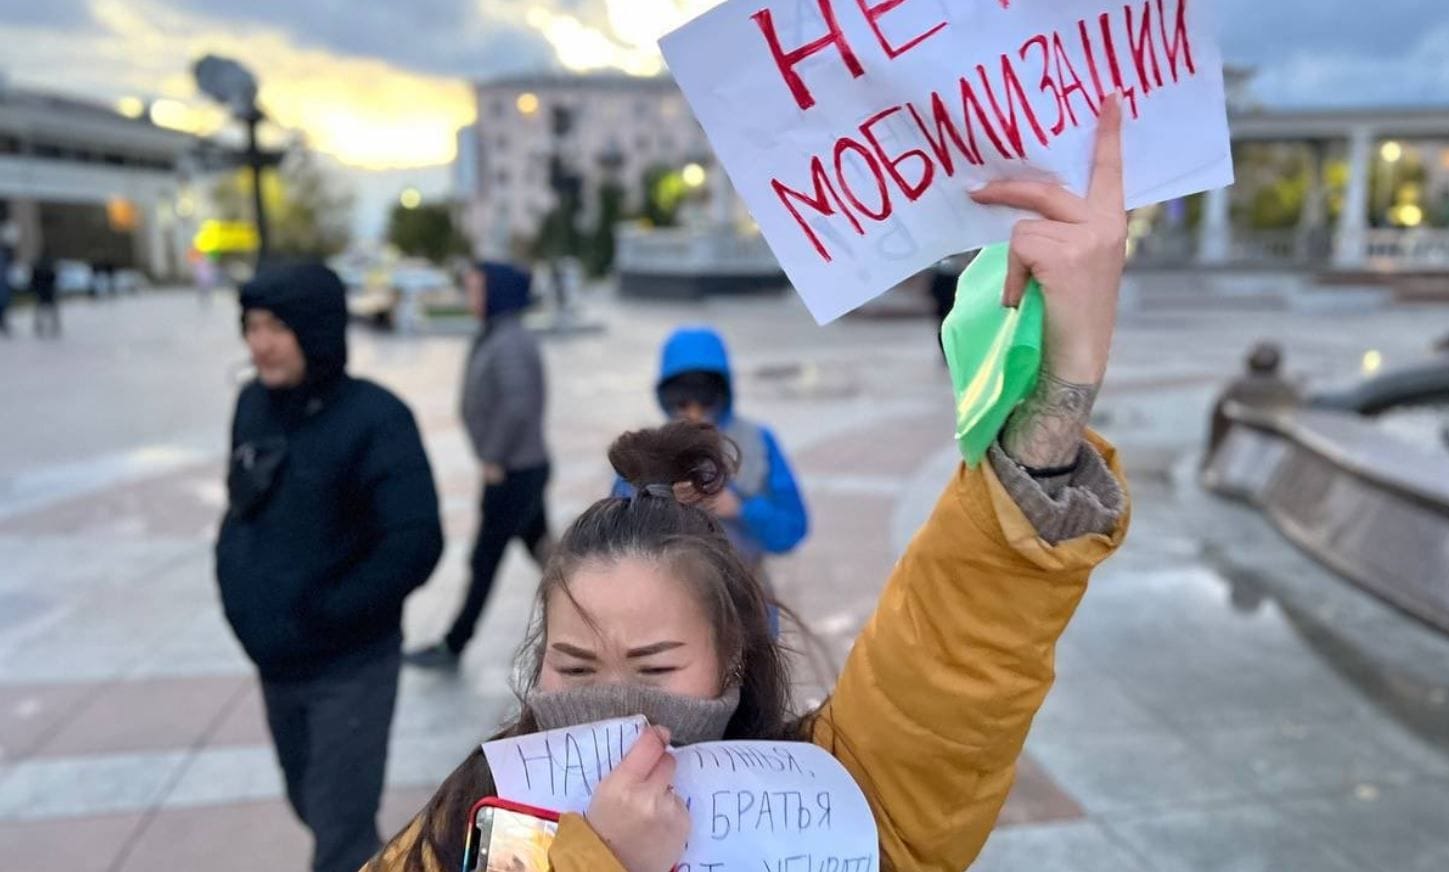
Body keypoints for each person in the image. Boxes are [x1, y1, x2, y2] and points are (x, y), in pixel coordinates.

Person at [367, 94, 1132, 872]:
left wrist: (1054, 396)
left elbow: (953, 660)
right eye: (573, 667)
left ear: (734, 657)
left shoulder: (830, 806)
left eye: (659, 668)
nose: (617, 709)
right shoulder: (458, 830)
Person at [216, 262, 444, 872]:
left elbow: (416, 542)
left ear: (314, 331)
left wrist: (327, 612)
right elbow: (243, 510)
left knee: (340, 829)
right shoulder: (251, 406)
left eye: (276, 327)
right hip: (276, 662)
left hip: (351, 664)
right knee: (311, 804)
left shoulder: (375, 417)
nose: (259, 342)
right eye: (251, 325)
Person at [406, 262, 550, 670]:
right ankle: (596, 612)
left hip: (512, 471)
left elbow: (519, 407)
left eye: (475, 288)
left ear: (496, 292)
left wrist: (494, 457)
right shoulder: (501, 334)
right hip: (522, 467)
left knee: (484, 560)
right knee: (545, 551)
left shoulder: (509, 342)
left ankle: (454, 642)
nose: (469, 297)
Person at [613, 326, 807, 621]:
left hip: (746, 604)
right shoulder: (649, 451)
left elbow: (791, 530)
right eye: (682, 403)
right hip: (669, 608)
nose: (694, 414)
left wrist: (742, 508)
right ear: (666, 398)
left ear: (722, 394)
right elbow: (616, 535)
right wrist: (660, 501)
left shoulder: (756, 441)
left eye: (705, 402)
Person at [30, 256, 59, 338]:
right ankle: (46, 325)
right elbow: (54, 278)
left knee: (44, 310)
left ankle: (42, 325)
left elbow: (34, 280)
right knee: (47, 310)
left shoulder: (39, 267)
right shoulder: (48, 267)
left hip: (44, 291)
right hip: (46, 291)